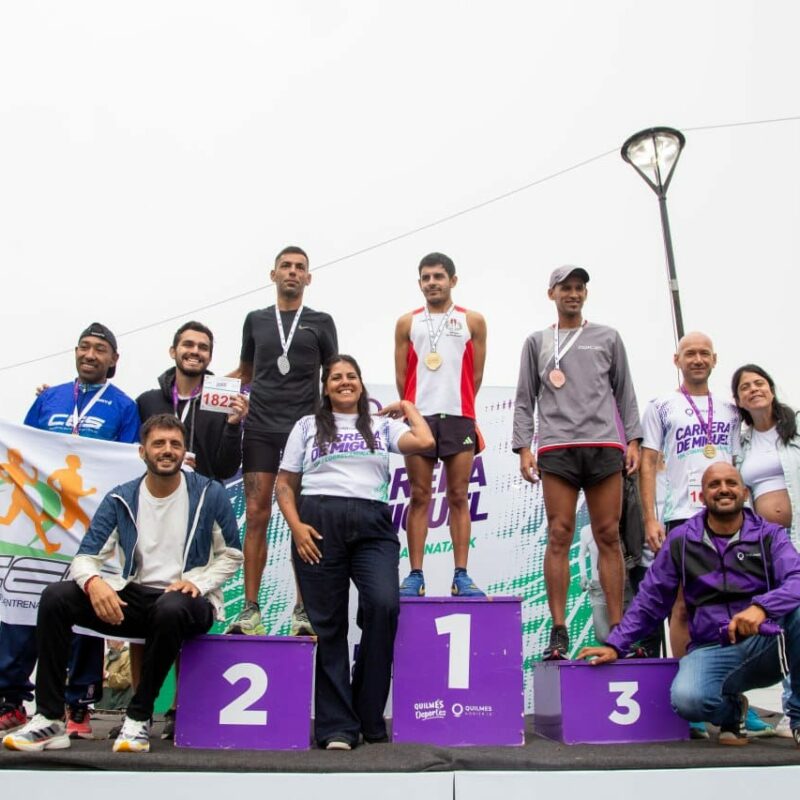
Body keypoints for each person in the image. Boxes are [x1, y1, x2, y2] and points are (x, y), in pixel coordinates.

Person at [2, 414, 243, 753]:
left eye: (175, 444)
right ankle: (50, 719)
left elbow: (232, 554)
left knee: (170, 606)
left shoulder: (209, 493)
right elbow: (85, 557)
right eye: (158, 443)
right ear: (143, 451)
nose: (167, 450)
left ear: (184, 451)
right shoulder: (121, 497)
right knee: (56, 596)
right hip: (136, 600)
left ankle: (139, 716)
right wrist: (95, 584)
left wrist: (198, 582)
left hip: (189, 602)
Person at [578, 463, 800, 747]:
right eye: (714, 484)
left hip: (765, 644)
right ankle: (732, 711)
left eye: (731, 483)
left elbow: (796, 579)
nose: (723, 489)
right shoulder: (681, 540)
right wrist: (615, 644)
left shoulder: (769, 535)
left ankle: (798, 716)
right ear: (702, 496)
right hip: (711, 647)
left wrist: (762, 608)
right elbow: (650, 600)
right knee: (687, 701)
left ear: (744, 493)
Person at [275, 355, 433, 749]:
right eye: (335, 378)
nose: (344, 382)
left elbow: (426, 441)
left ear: (361, 384)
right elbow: (283, 485)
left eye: (351, 376)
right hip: (317, 524)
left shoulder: (381, 426)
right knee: (329, 627)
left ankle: (367, 712)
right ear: (325, 387)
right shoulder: (307, 426)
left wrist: (408, 407)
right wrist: (296, 528)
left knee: (383, 606)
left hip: (372, 525)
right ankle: (336, 728)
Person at [0, 323, 140, 739]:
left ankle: (77, 704)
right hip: (40, 523)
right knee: (23, 602)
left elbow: (125, 461)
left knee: (85, 609)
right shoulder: (49, 398)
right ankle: (11, 700)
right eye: (85, 347)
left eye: (100, 349)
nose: (90, 354)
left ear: (113, 360)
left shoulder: (124, 406)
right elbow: (23, 450)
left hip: (90, 524)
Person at [639, 334, 769, 735]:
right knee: (681, 607)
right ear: (676, 359)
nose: (697, 359)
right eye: (689, 353)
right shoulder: (661, 406)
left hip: (732, 516)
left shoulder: (733, 408)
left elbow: (753, 453)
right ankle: (692, 703)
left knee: (737, 605)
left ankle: (733, 697)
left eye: (704, 354)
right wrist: (650, 519)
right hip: (682, 516)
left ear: (715, 360)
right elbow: (648, 463)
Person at [512, 265, 642, 660]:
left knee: (607, 535)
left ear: (585, 293)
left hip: (604, 445)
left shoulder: (607, 337)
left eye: (579, 287)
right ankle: (558, 631)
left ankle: (618, 633)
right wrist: (522, 447)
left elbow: (625, 392)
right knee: (560, 534)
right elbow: (524, 398)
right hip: (557, 448)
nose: (573, 293)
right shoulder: (537, 341)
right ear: (551, 293)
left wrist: (633, 440)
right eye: (565, 287)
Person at [226, 246, 338, 637]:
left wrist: (339, 420)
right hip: (260, 427)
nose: (292, 272)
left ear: (308, 278)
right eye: (285, 266)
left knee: (303, 520)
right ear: (272, 274)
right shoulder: (255, 320)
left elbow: (333, 375)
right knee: (257, 515)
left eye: (300, 268)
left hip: (304, 432)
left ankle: (303, 610)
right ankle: (250, 609)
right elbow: (245, 371)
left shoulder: (321, 322)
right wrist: (200, 392)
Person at [394, 252, 487, 597]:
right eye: (426, 277)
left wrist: (456, 402)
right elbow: (402, 376)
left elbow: (475, 375)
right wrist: (415, 411)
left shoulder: (472, 321)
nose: (432, 282)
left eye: (439, 276)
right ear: (419, 283)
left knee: (459, 496)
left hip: (459, 416)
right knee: (419, 497)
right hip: (420, 419)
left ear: (453, 280)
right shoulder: (407, 322)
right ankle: (415, 574)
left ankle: (461, 575)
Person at [733, 363, 800, 738]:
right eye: (745, 387)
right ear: (739, 400)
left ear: (771, 389)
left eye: (759, 383)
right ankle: (793, 714)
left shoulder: (796, 429)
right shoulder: (741, 444)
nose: (754, 390)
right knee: (790, 624)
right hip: (770, 548)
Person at [136, 321, 248, 480]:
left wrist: (233, 426)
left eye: (203, 347)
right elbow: (132, 455)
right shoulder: (147, 402)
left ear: (209, 357)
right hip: (156, 497)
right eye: (188, 344)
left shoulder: (223, 403)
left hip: (204, 498)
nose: (195, 351)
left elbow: (226, 471)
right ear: (173, 352)